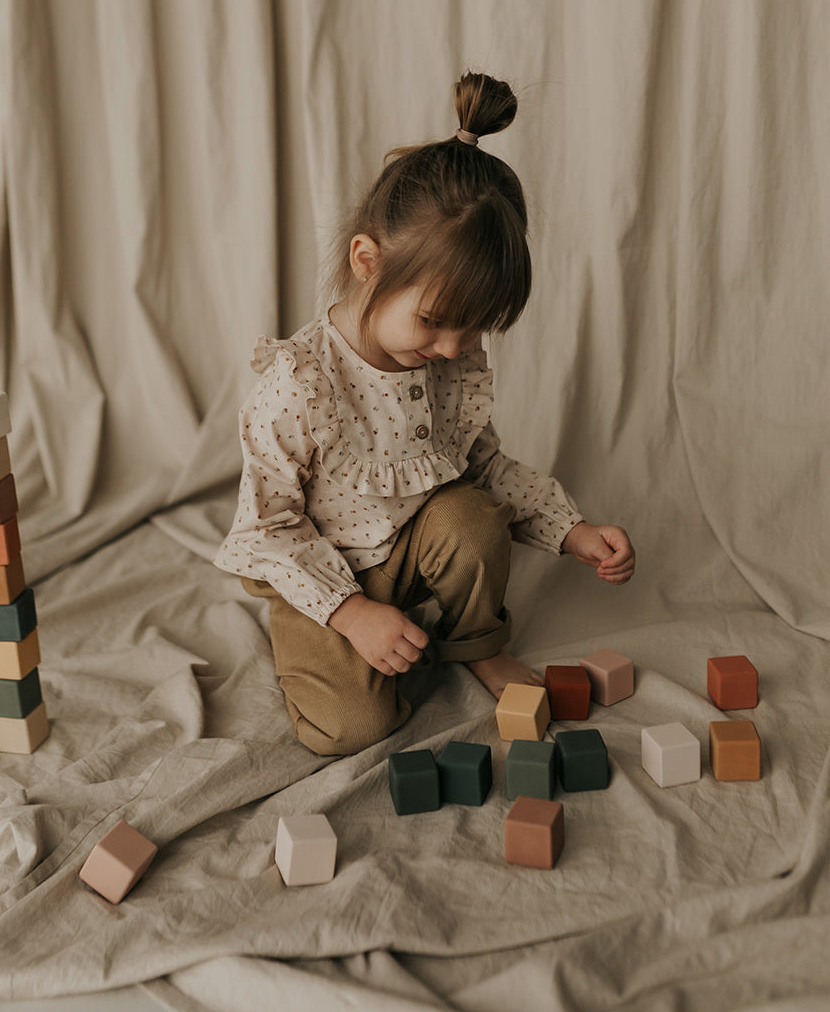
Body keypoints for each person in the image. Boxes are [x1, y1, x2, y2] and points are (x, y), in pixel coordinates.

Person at [215, 72, 635, 755]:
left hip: (415, 547)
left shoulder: (446, 364)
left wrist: (570, 529)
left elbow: (484, 468)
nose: (449, 350)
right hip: (323, 573)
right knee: (348, 728)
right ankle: (362, 647)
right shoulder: (299, 386)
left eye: (471, 332)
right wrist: (353, 615)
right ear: (366, 261)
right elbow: (267, 530)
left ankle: (476, 642)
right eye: (436, 323)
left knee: (471, 517)